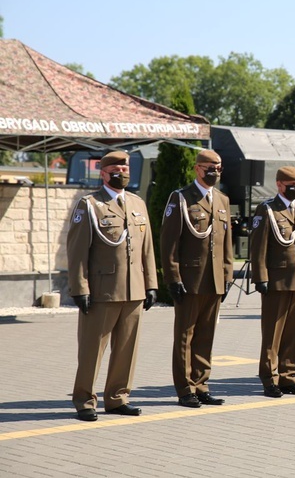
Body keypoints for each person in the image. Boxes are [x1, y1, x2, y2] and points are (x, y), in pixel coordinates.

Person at [67, 150, 158, 421]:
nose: (123, 172)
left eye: (126, 167)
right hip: (102, 290)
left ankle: (117, 398)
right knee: (92, 350)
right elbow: (77, 252)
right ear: (104, 173)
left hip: (134, 290)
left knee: (126, 350)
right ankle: (84, 400)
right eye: (117, 168)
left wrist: (151, 283)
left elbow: (148, 249)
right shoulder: (90, 205)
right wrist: (80, 288)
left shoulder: (137, 203)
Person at [161, 149, 233, 408]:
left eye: (218, 168)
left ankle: (201, 384)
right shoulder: (181, 198)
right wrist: (173, 278)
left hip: (213, 280)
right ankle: (185, 388)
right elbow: (169, 242)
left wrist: (227, 276)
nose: (214, 172)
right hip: (189, 279)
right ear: (197, 169)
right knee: (185, 336)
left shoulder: (222, 200)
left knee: (206, 335)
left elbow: (227, 245)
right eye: (209, 168)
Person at [250, 166, 295, 397]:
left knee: (292, 333)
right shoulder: (267, 209)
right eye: (290, 184)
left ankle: (288, 377)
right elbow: (258, 247)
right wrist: (261, 277)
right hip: (276, 280)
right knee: (272, 334)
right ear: (279, 184)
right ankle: (269, 378)